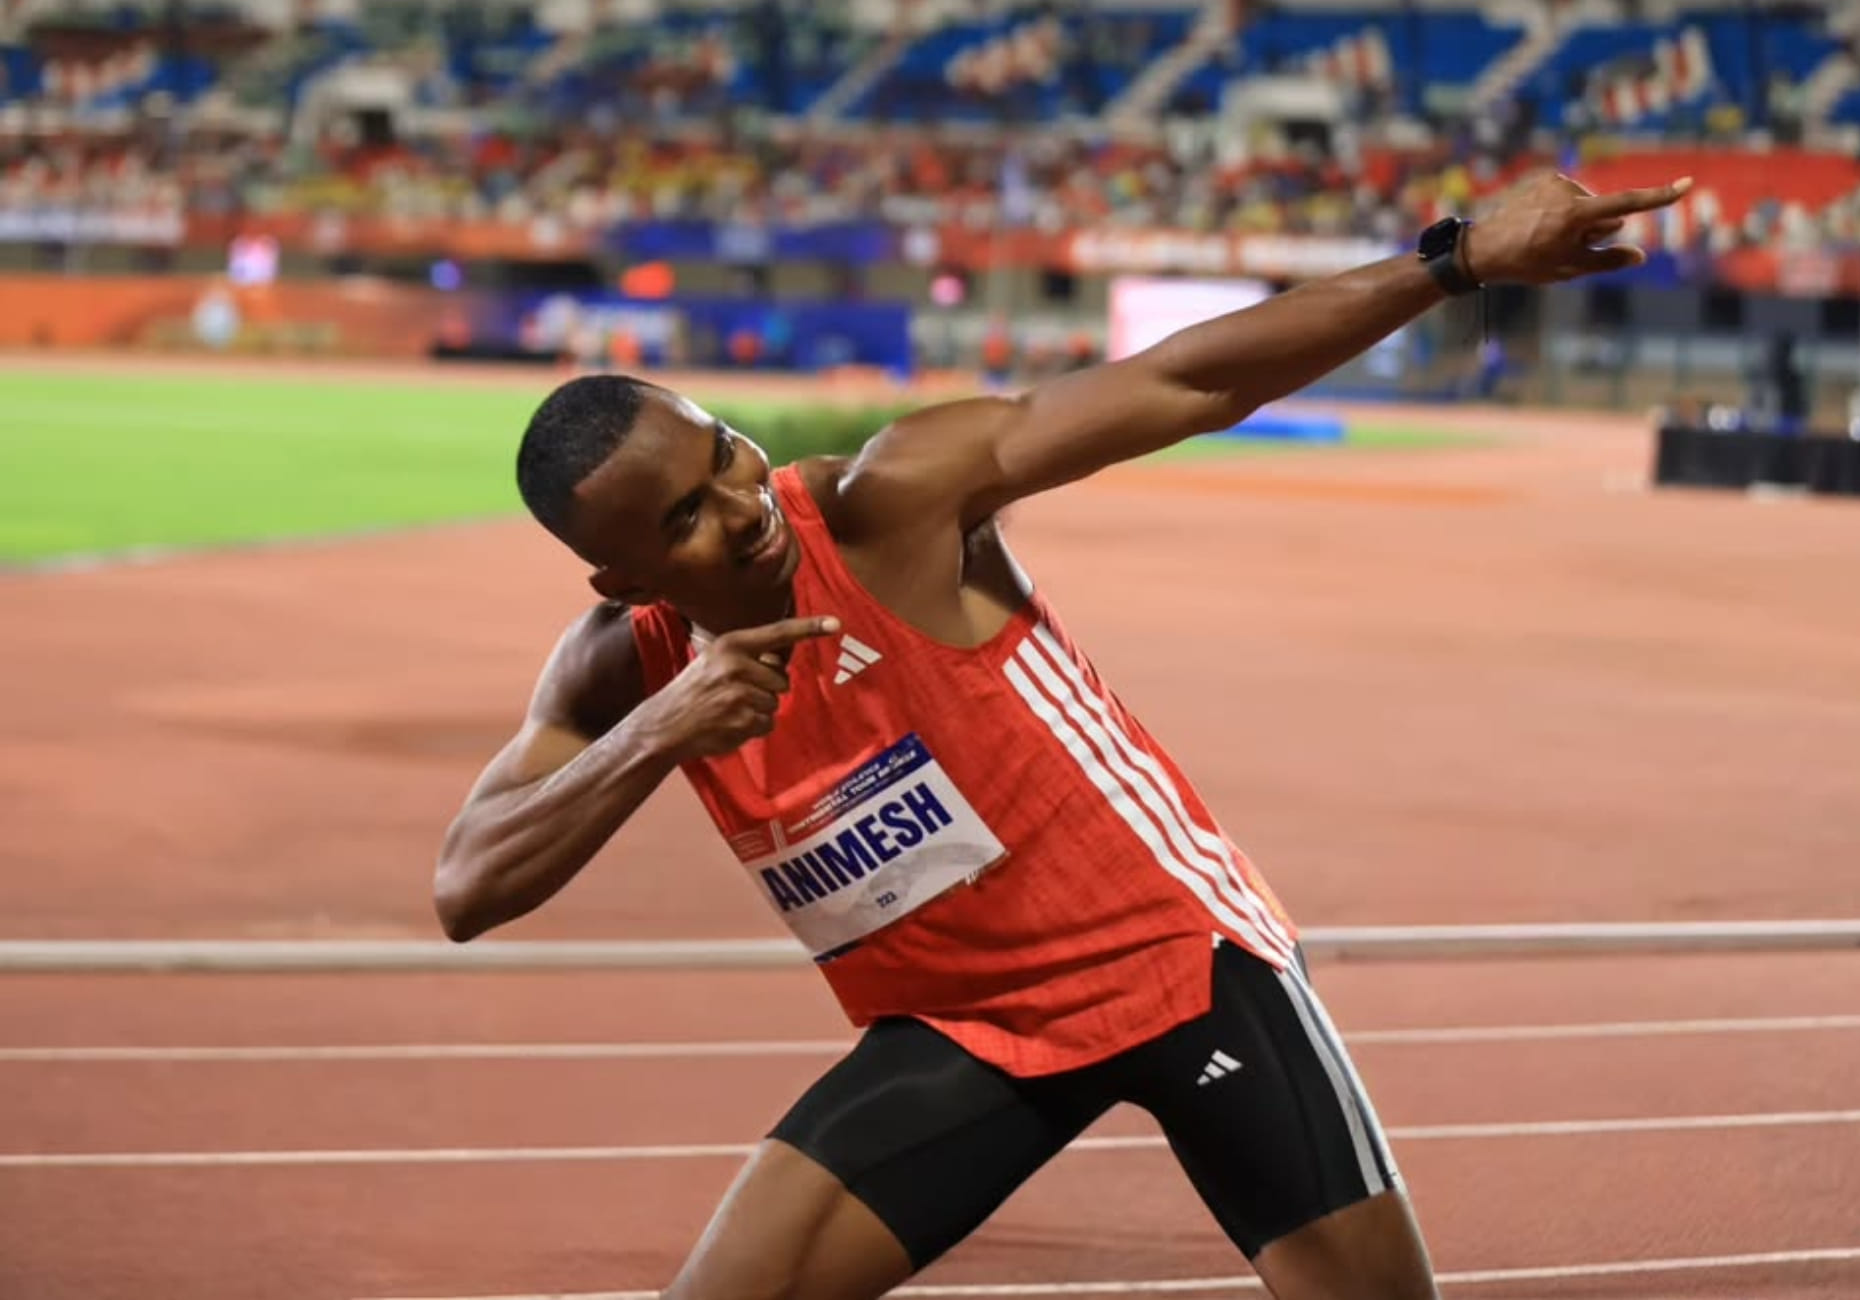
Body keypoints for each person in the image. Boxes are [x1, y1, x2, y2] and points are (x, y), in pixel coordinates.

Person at [437, 170, 1694, 1300]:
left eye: (725, 454)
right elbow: (467, 887)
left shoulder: (890, 505)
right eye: (684, 519)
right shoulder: (621, 669)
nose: (742, 505)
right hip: (962, 1027)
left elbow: (1186, 381)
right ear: (621, 582)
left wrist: (1452, 260)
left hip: (1171, 961)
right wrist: (659, 729)